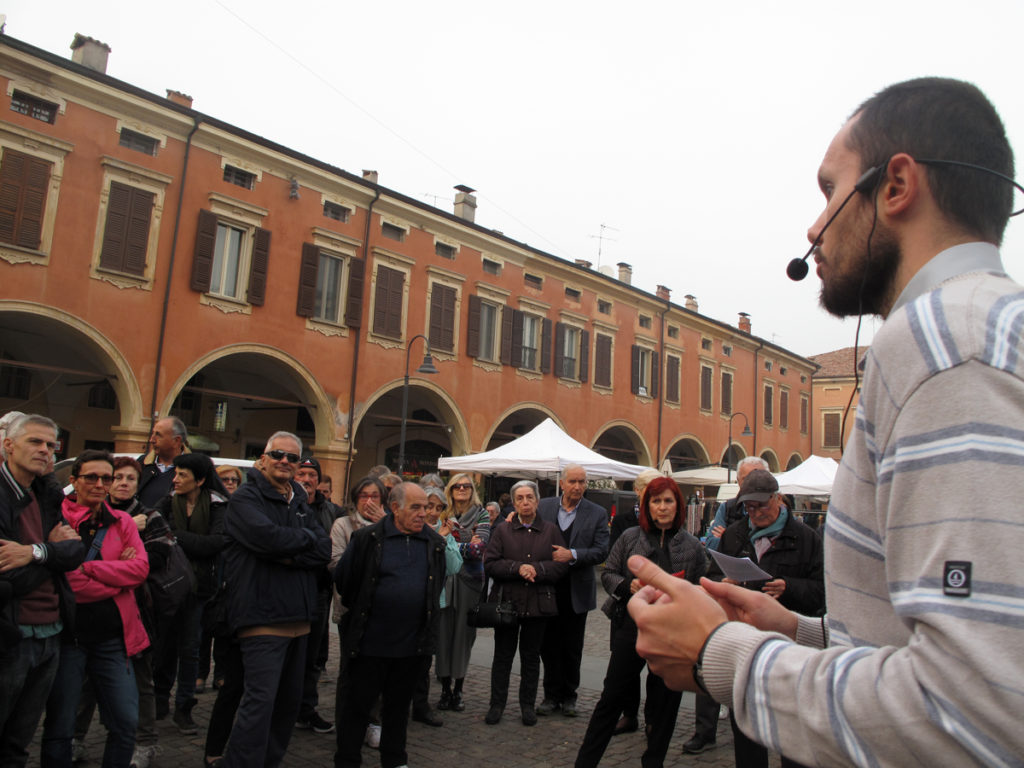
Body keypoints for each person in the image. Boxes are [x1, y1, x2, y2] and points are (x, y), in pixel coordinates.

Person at [627, 77, 1024, 765]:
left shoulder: (941, 345)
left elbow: (974, 710)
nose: (814, 229)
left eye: (829, 190)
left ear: (895, 185)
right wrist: (802, 633)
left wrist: (725, 655)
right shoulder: (987, 328)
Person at [575, 476, 707, 767]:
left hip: (671, 635)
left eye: (668, 501)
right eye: (656, 501)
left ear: (678, 505)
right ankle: (586, 761)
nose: (662, 507)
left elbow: (701, 586)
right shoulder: (630, 537)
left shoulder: (692, 546)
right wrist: (628, 586)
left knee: (664, 704)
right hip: (631, 628)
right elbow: (608, 573)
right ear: (647, 505)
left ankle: (654, 761)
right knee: (610, 699)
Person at [221, 432, 331, 768]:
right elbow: (264, 537)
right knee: (260, 704)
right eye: (278, 454)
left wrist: (289, 553)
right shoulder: (245, 499)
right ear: (263, 458)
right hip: (261, 616)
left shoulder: (297, 500)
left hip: (299, 618)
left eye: (292, 457)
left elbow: (324, 549)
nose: (285, 461)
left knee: (287, 705)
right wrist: (302, 543)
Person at [704, 469, 823, 768]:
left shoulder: (807, 538)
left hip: (791, 650)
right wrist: (724, 584)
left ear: (778, 499)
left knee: (793, 737)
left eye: (761, 505)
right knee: (747, 734)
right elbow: (713, 575)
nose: (755, 512)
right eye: (749, 507)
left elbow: (823, 592)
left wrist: (790, 587)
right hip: (745, 646)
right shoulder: (735, 534)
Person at [41, 450, 150, 768]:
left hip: (114, 639)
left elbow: (141, 570)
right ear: (73, 480)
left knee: (125, 722)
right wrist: (117, 573)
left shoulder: (123, 521)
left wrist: (89, 568)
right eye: (92, 476)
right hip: (69, 638)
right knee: (61, 726)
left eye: (108, 477)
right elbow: (71, 585)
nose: (101, 483)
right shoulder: (56, 519)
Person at [333, 482, 447, 768]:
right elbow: (346, 582)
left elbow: (436, 586)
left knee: (398, 710)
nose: (424, 513)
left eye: (426, 507)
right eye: (416, 507)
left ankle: (395, 760)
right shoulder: (367, 539)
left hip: (411, 647)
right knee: (357, 708)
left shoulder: (434, 544)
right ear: (395, 508)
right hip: (370, 645)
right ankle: (347, 760)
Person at [72, 456, 169, 768]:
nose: (121, 483)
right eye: (118, 477)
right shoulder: (75, 516)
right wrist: (119, 569)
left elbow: (151, 561)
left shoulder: (145, 516)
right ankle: (75, 738)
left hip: (136, 614)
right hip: (83, 620)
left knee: (138, 687)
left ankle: (145, 743)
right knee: (83, 688)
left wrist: (99, 569)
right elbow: (69, 575)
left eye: (129, 478)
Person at [0, 414, 83, 768]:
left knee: (18, 744)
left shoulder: (45, 495)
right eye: (35, 441)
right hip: (10, 634)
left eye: (51, 445)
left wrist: (35, 552)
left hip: (51, 632)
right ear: (8, 445)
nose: (45, 451)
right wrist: (52, 554)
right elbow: (7, 578)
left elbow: (74, 552)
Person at [682, 455, 769, 755]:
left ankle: (752, 734)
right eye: (745, 480)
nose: (751, 485)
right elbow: (712, 547)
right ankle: (705, 731)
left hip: (762, 610)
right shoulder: (729, 509)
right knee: (710, 664)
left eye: (757, 477)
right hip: (727, 604)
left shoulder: (782, 515)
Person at [483, 480, 569, 726]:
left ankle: (527, 706)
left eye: (529, 497)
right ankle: (496, 705)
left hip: (538, 604)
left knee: (531, 658)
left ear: (537, 501)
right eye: (519, 498)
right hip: (507, 602)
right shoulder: (503, 530)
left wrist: (538, 570)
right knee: (503, 657)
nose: (525, 502)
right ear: (514, 502)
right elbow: (490, 563)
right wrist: (517, 568)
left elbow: (561, 564)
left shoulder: (550, 530)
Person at [154, 453, 229, 734]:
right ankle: (160, 699)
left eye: (182, 475)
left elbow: (216, 542)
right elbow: (155, 531)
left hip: (199, 588)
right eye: (176, 474)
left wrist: (177, 537)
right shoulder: (167, 501)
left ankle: (184, 706)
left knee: (189, 648)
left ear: (199, 480)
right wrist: (178, 539)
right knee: (164, 646)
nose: (175, 479)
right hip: (169, 585)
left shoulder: (217, 504)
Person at [536, 465, 609, 717]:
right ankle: (550, 695)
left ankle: (569, 696)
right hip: (547, 588)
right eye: (573, 481)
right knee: (548, 645)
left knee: (572, 646)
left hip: (576, 590)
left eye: (582, 482)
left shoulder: (596, 513)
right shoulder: (544, 507)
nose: (578, 486)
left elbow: (602, 550)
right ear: (563, 484)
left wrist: (573, 554)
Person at [329, 476, 387, 750]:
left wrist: (383, 524)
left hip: (382, 609)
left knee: (376, 668)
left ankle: (372, 720)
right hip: (351, 607)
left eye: (375, 496)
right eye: (364, 496)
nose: (369, 501)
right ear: (355, 499)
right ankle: (346, 722)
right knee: (349, 669)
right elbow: (336, 564)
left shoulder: (389, 526)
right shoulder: (343, 525)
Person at [433, 473, 490, 713]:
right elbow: (435, 545)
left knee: (463, 635)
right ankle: (445, 689)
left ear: (472, 489)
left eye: (467, 485)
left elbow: (479, 549)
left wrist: (450, 539)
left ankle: (459, 689)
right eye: (458, 485)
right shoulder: (442, 513)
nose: (462, 489)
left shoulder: (482, 513)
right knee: (443, 634)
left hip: (469, 581)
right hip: (445, 579)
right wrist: (466, 541)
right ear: (451, 489)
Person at [411, 486, 463, 726]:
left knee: (424, 657)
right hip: (410, 601)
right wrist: (438, 539)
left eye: (438, 508)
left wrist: (444, 539)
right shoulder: (412, 529)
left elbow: (453, 567)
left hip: (435, 601)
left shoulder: (445, 533)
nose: (432, 512)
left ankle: (421, 705)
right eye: (428, 506)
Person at [293, 457, 338, 734]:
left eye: (312, 475)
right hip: (287, 592)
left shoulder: (331, 510)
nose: (307, 479)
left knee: (311, 659)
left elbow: (328, 551)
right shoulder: (284, 506)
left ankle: (306, 709)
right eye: (302, 473)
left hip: (319, 591)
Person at [137, 416, 188, 509]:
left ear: (176, 441)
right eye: (152, 433)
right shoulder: (141, 464)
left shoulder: (195, 469)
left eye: (158, 435)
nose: (151, 440)